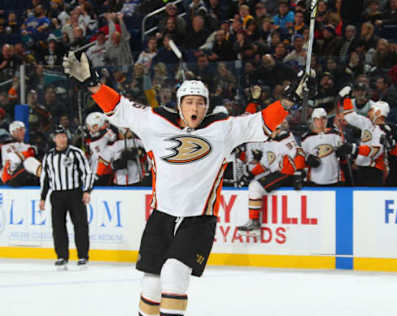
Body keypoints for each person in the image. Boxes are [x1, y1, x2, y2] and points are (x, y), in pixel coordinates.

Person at [62, 51, 305, 316]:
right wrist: (91, 82)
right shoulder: (155, 122)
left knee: (175, 273)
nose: (195, 108)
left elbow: (260, 122)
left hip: (198, 220)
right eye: (189, 102)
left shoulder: (222, 130)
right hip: (161, 217)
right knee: (151, 285)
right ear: (180, 105)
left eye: (201, 103)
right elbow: (119, 108)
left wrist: (289, 100)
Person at [39, 125, 94, 268]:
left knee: (80, 225)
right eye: (58, 137)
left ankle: (83, 256)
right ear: (54, 139)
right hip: (57, 195)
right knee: (58, 226)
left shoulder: (76, 153)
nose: (61, 139)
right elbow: (46, 178)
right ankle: (62, 256)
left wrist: (86, 190)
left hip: (74, 194)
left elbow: (87, 172)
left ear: (67, 137)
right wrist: (43, 197)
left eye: (63, 136)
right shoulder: (49, 156)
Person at [237, 120, 304, 232]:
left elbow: (299, 155)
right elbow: (266, 164)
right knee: (254, 185)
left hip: (287, 173)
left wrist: (298, 173)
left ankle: (254, 221)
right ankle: (253, 221)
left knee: (255, 186)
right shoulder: (270, 142)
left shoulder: (286, 141)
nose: (267, 132)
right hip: (278, 173)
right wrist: (250, 174)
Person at [301, 108, 343, 186]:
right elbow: (300, 156)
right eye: (317, 119)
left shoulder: (335, 134)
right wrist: (307, 158)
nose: (320, 122)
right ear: (313, 121)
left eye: (323, 119)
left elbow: (344, 154)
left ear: (327, 119)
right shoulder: (306, 138)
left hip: (334, 179)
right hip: (314, 180)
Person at [1, 121, 42, 186]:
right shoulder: (5, 146)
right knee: (29, 161)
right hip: (10, 178)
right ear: (13, 132)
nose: (23, 132)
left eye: (24, 129)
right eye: (20, 130)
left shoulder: (27, 146)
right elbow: (16, 159)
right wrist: (29, 152)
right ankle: (46, 176)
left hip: (25, 176)